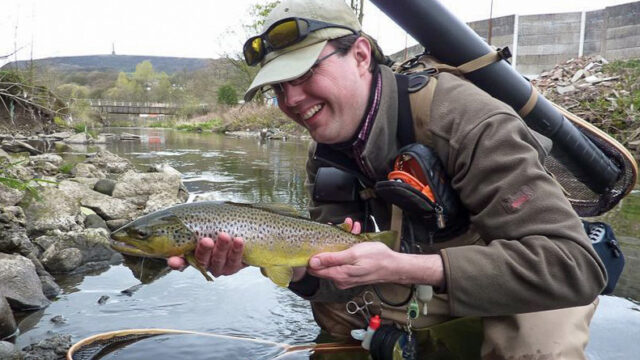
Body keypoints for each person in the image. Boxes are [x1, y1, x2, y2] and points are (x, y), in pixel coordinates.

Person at [169, 0, 607, 358]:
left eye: (304, 75)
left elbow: (575, 267)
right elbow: (329, 279)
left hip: (529, 272)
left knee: (539, 349)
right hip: (422, 272)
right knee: (335, 316)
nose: (291, 100)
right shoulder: (326, 150)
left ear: (360, 55)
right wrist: (276, 264)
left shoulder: (470, 120)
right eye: (278, 88)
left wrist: (406, 266)